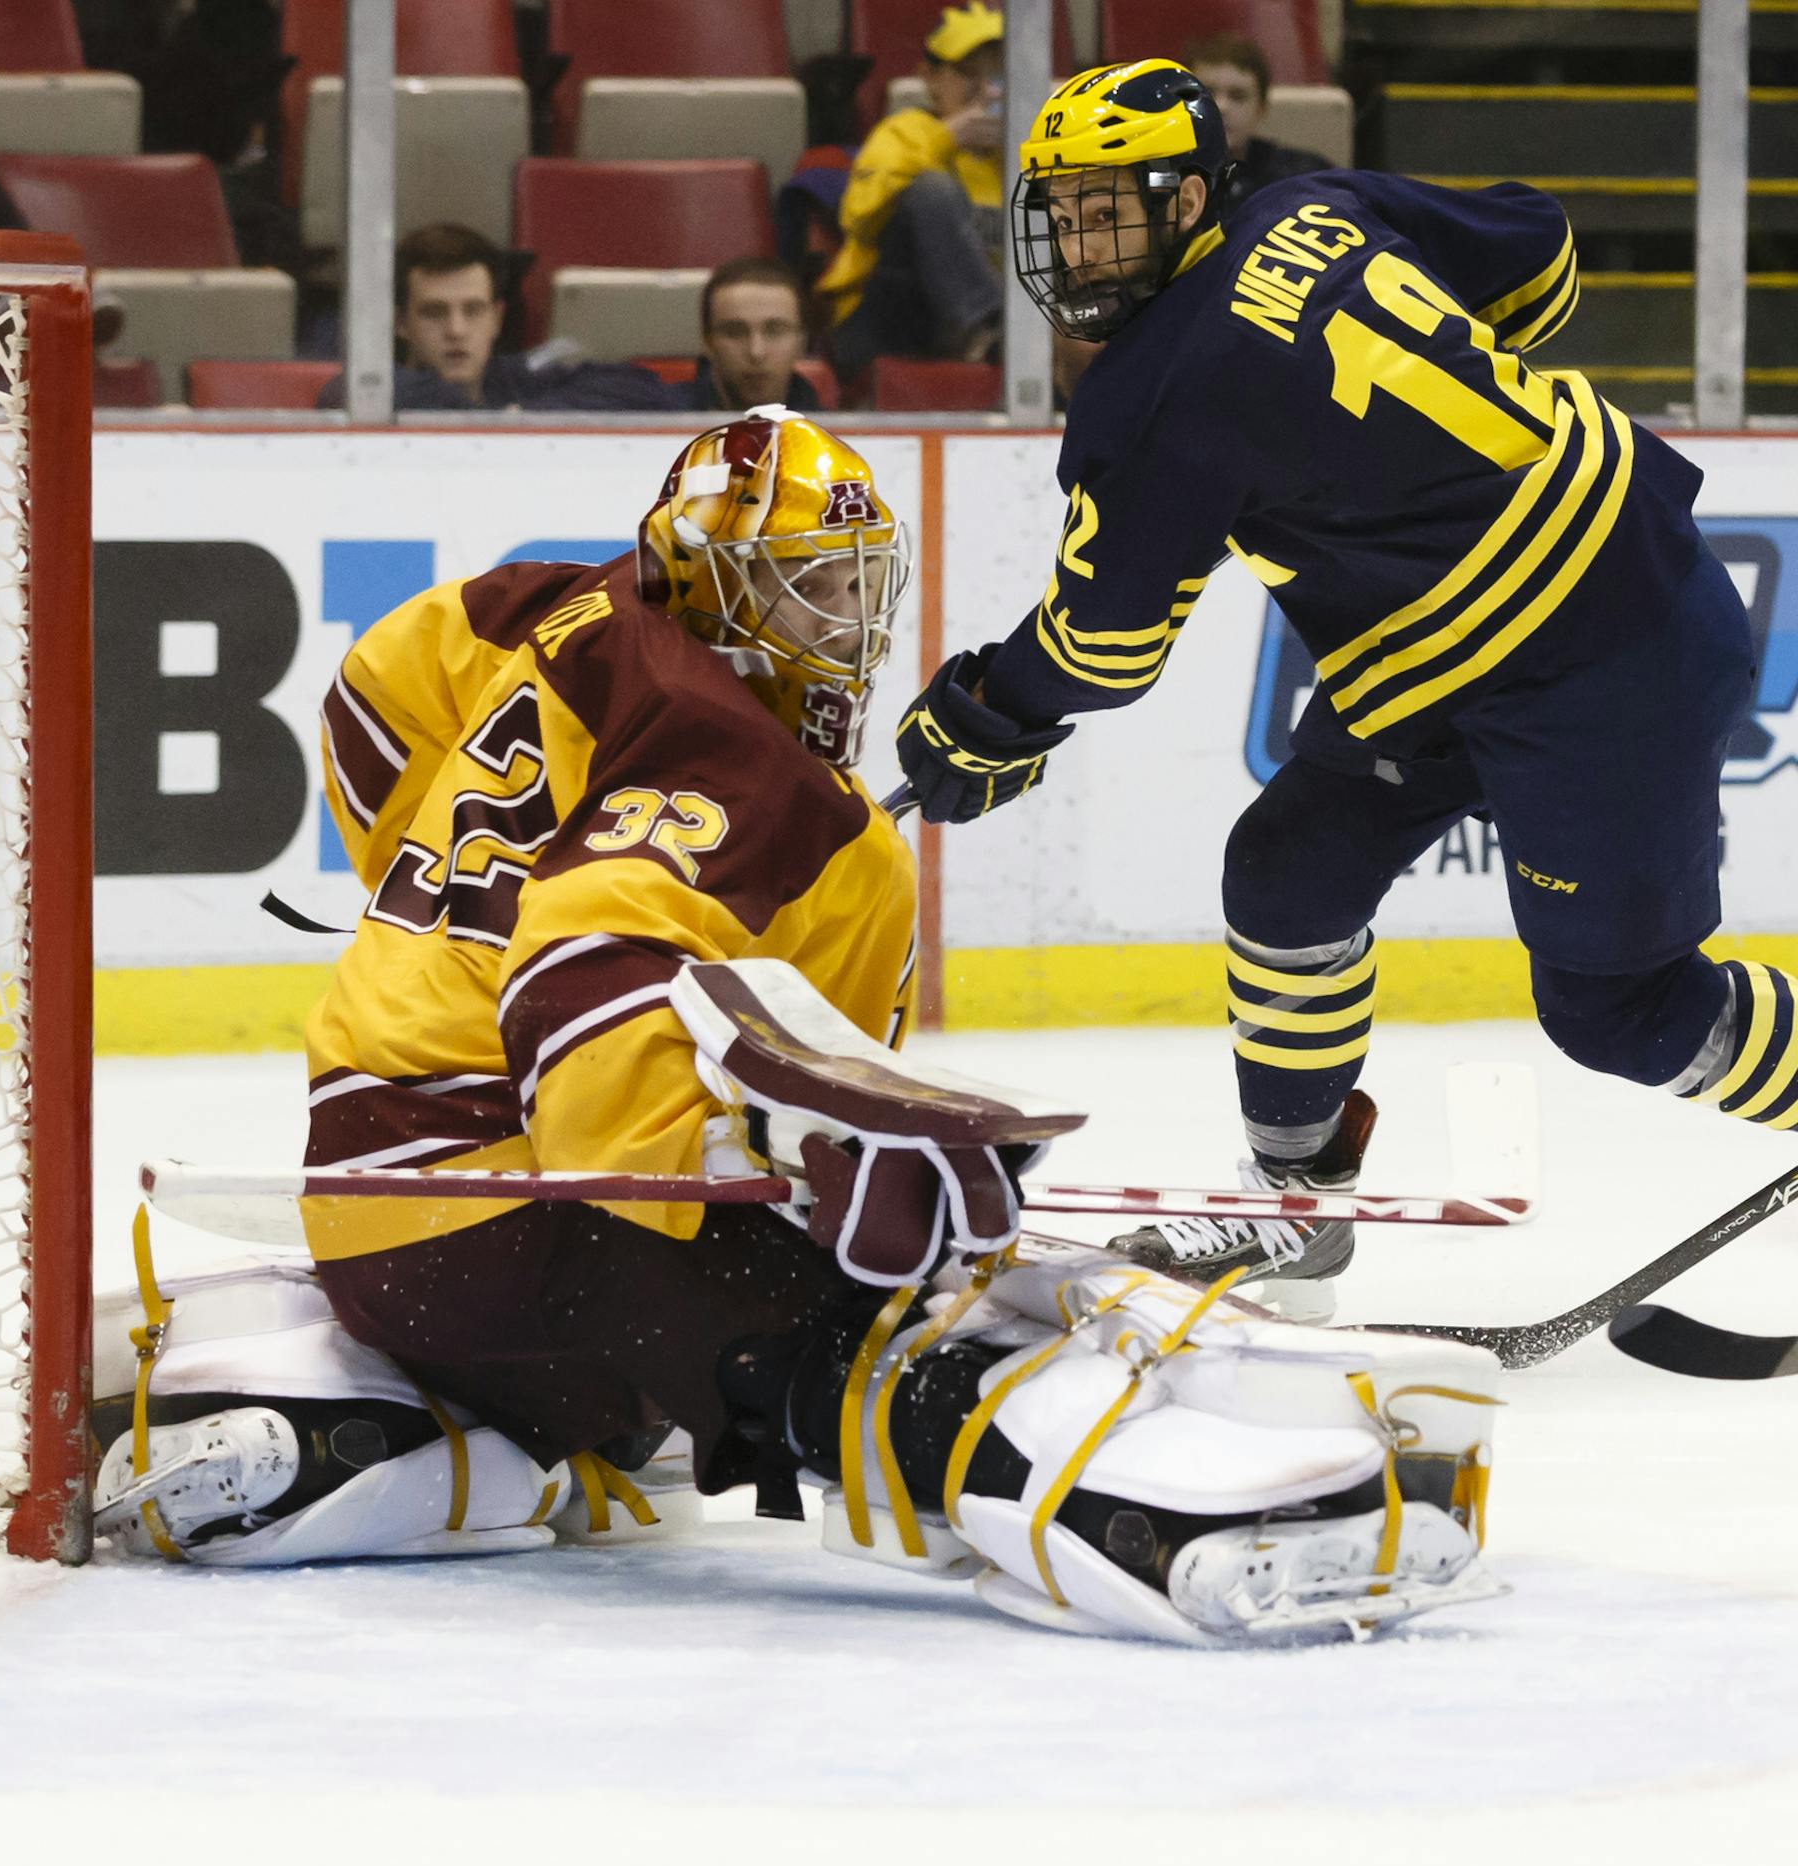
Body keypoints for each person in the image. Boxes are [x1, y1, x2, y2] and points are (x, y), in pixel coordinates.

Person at [88, 409, 1504, 1646]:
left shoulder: (544, 607)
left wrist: (427, 889)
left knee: (665, 1392)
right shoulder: (737, 757)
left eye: (854, 588)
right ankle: (1155, 1519)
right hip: (525, 1218)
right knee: (884, 1330)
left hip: (378, 1212)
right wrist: (742, 1162)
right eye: (809, 588)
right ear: (712, 584)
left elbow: (374, 703)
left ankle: (393, 1435)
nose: (848, 625)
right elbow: (587, 963)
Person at [892, 61, 1780, 1321]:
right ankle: (1293, 1203)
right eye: (1066, 215)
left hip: (1604, 646)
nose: (1083, 247)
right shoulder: (1320, 209)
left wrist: (987, 708)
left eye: (1114, 211)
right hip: (1464, 639)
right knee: (1285, 873)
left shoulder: (1148, 398)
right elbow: (1539, 251)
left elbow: (1105, 650)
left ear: (1192, 194)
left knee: (1619, 1007)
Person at [818, 3, 1004, 381]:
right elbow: (859, 217)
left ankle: (995, 334)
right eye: (969, 73)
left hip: (976, 331)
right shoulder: (905, 130)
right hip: (882, 322)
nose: (985, 90)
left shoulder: (1023, 156)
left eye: (999, 75)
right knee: (931, 190)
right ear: (929, 77)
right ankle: (990, 328)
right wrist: (945, 138)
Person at [316, 222, 671, 411]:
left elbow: (641, 388)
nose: (456, 330)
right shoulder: (377, 388)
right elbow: (341, 392)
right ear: (400, 323)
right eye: (434, 313)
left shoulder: (519, 379)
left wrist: (527, 417)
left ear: (496, 319)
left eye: (473, 311)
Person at [1185, 31, 1330, 217]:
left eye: (1238, 96)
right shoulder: (1153, 178)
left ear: (1261, 109)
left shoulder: (1306, 177)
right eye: (1207, 93)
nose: (1222, 107)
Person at [670, 258, 821, 412]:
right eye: (735, 332)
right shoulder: (659, 419)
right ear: (708, 341)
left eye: (774, 331)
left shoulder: (829, 433)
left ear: (802, 342)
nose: (756, 352)